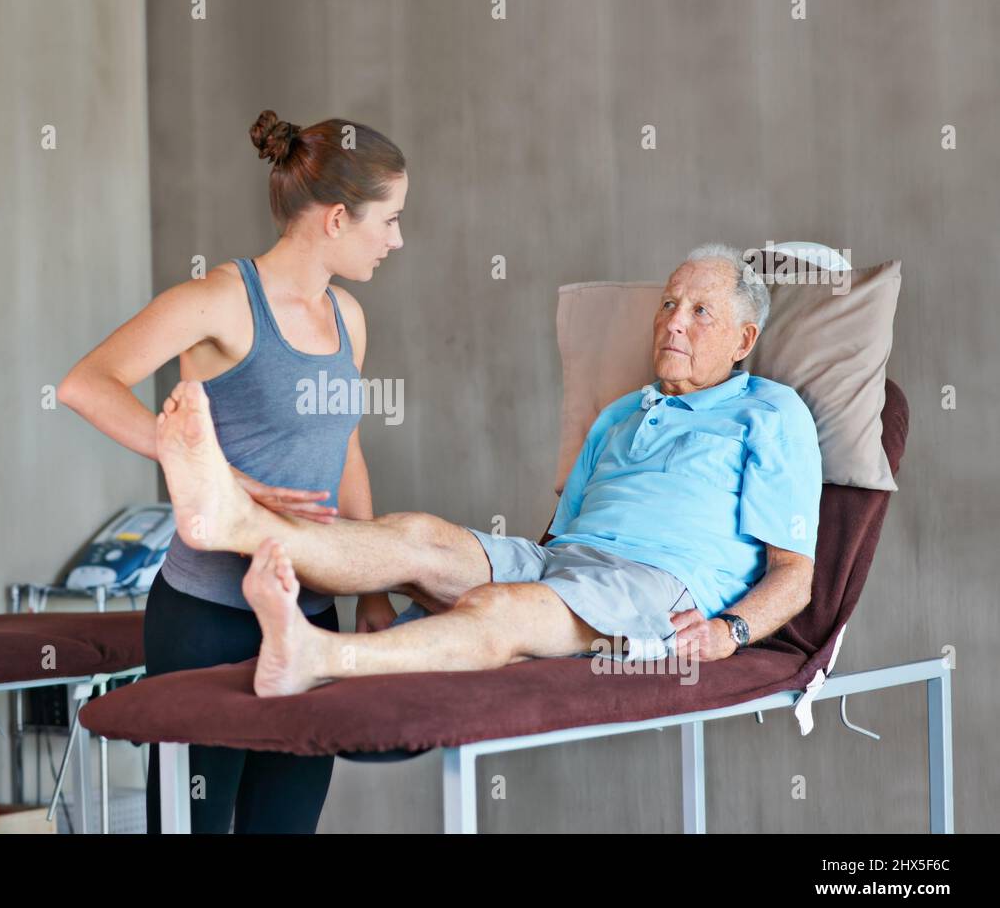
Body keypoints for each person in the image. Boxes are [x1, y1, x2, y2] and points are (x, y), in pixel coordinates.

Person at [153, 243, 824, 696]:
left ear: (743, 340)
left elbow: (795, 575)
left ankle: (316, 656)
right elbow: (557, 543)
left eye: (700, 311)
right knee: (418, 536)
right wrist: (439, 580)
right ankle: (233, 520)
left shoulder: (770, 413)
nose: (675, 322)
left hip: (659, 593)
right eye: (669, 304)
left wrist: (729, 632)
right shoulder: (621, 412)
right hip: (566, 563)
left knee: (505, 609)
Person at [58, 110, 407, 832]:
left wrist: (372, 591)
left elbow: (347, 449)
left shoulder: (349, 318)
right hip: (206, 619)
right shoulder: (221, 300)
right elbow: (85, 384)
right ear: (339, 218)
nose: (397, 240)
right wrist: (200, 463)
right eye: (391, 220)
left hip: (311, 614)